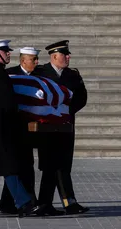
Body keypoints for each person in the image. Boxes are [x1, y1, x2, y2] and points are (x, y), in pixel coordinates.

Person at [0, 39, 43, 217]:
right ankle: (23, 202)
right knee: (6, 166)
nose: (9, 54)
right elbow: (7, 104)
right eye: (5, 51)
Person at [33, 40, 89, 215]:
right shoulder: (41, 73)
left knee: (64, 165)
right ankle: (46, 203)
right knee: (49, 166)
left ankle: (67, 202)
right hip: (47, 129)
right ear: (54, 56)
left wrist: (65, 111)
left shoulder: (72, 75)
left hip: (66, 126)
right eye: (65, 54)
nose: (68, 57)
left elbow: (81, 98)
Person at [0, 47, 41, 214]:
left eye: (36, 59)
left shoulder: (40, 76)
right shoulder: (10, 74)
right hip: (13, 127)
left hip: (30, 129)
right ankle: (16, 202)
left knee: (27, 165)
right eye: (33, 59)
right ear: (23, 61)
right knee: (14, 166)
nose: (37, 62)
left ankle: (22, 201)